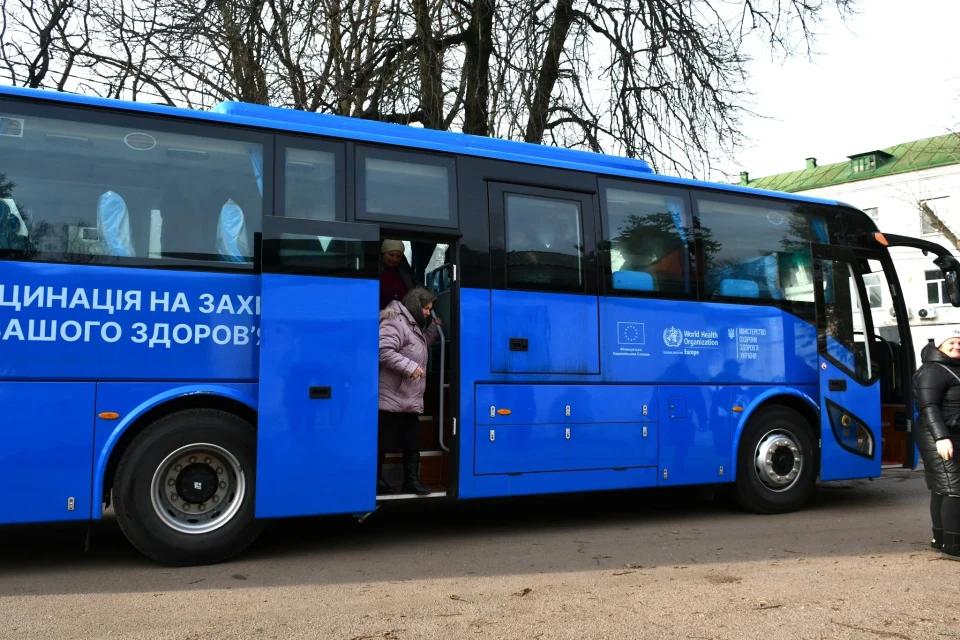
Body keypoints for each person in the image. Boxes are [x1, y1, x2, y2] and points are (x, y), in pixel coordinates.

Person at [377, 286, 441, 495]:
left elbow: (418, 348)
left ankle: (411, 481)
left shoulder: (411, 323)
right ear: (415, 304)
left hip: (408, 397)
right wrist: (411, 367)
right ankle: (376, 480)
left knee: (412, 442)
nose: (427, 312)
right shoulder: (394, 319)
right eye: (425, 308)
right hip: (392, 395)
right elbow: (383, 350)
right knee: (383, 441)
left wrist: (432, 329)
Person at [914, 330, 960, 560]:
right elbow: (928, 406)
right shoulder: (932, 370)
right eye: (952, 342)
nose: (957, 346)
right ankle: (954, 546)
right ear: (940, 345)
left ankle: (940, 538)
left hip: (951, 432)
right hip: (938, 435)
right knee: (954, 488)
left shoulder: (952, 367)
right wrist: (941, 438)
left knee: (943, 486)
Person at [380, 239, 414, 310]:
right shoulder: (376, 271)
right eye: (391, 255)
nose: (395, 259)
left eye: (398, 256)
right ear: (383, 254)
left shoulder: (405, 272)